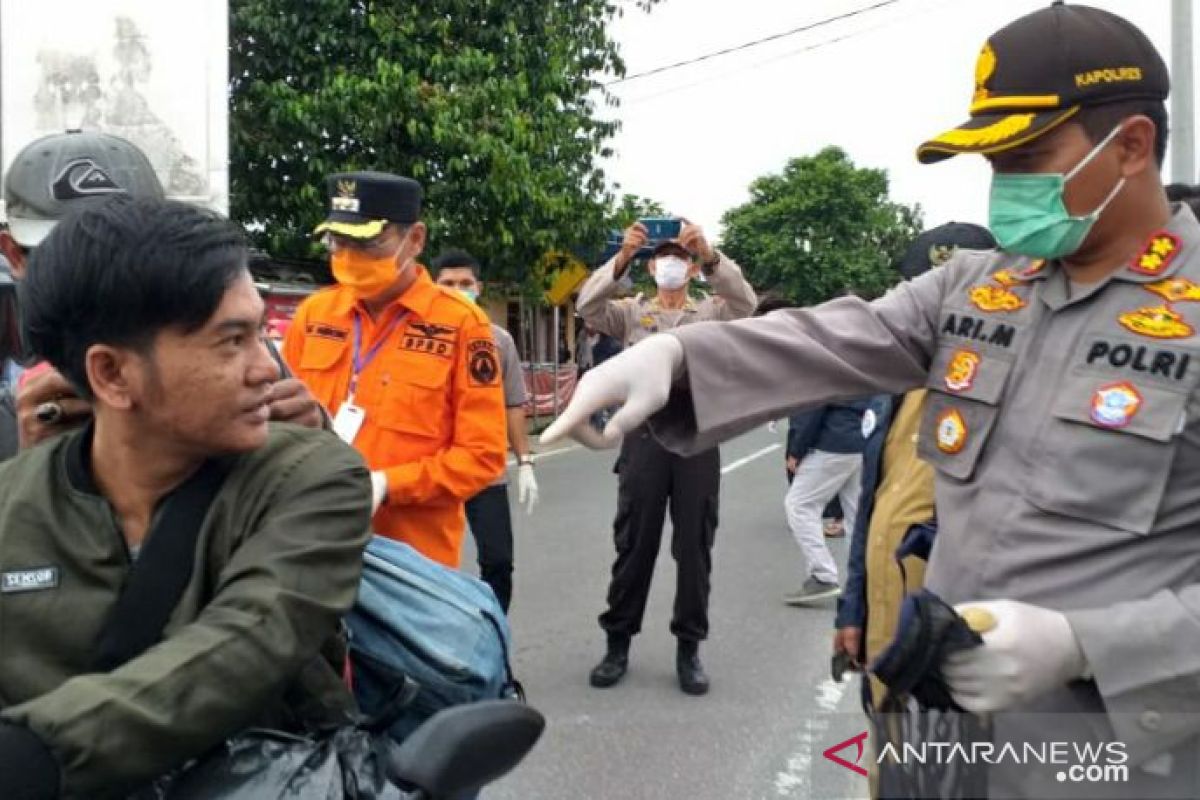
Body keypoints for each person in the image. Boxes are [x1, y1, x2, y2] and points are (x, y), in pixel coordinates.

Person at [547, 5, 1200, 795]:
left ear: (1130, 145)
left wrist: (1090, 643)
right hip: (940, 733)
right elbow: (833, 337)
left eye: (1027, 156)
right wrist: (672, 352)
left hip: (1103, 754)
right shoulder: (981, 285)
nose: (1003, 185)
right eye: (993, 161)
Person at [0, 196, 372, 798]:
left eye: (259, 335)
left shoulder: (310, 475)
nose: (266, 370)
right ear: (113, 375)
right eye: (231, 342)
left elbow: (252, 638)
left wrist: (34, 757)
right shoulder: (14, 503)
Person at [1, 131, 325, 459]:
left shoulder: (235, 342)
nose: (99, 275)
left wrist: (314, 440)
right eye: (63, 255)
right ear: (13, 253)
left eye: (124, 251)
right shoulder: (12, 376)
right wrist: (32, 466)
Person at [834, 222, 997, 798]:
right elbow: (873, 509)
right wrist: (849, 611)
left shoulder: (1006, 391)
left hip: (964, 631)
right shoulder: (893, 381)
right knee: (891, 764)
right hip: (886, 623)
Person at [284, 172, 507, 568]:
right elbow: (280, 425)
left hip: (411, 564)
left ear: (415, 239)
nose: (351, 257)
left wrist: (387, 485)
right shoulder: (315, 315)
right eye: (339, 242)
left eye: (368, 243)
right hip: (311, 546)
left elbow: (482, 456)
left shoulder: (460, 325)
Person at [577, 220, 756, 696]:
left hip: (697, 433)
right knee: (635, 542)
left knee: (694, 547)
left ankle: (689, 647)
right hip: (645, 435)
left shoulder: (713, 310)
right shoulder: (630, 311)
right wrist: (621, 259)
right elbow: (586, 305)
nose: (672, 264)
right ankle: (617, 642)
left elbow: (747, 304)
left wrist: (712, 254)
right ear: (652, 266)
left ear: (693, 268)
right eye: (663, 257)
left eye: (682, 256)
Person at [433, 248, 537, 611]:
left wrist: (524, 461)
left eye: (465, 283)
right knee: (428, 566)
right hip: (430, 469)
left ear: (480, 287)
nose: (457, 289)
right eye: (447, 284)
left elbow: (513, 403)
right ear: (433, 287)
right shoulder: (418, 338)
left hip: (483, 469)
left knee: (497, 563)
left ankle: (491, 646)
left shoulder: (497, 340)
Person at [781, 396, 875, 604]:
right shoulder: (859, 364)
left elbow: (811, 408)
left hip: (831, 443)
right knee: (856, 516)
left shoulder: (816, 366)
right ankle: (862, 581)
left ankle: (822, 575)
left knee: (799, 505)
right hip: (860, 441)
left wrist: (796, 449)